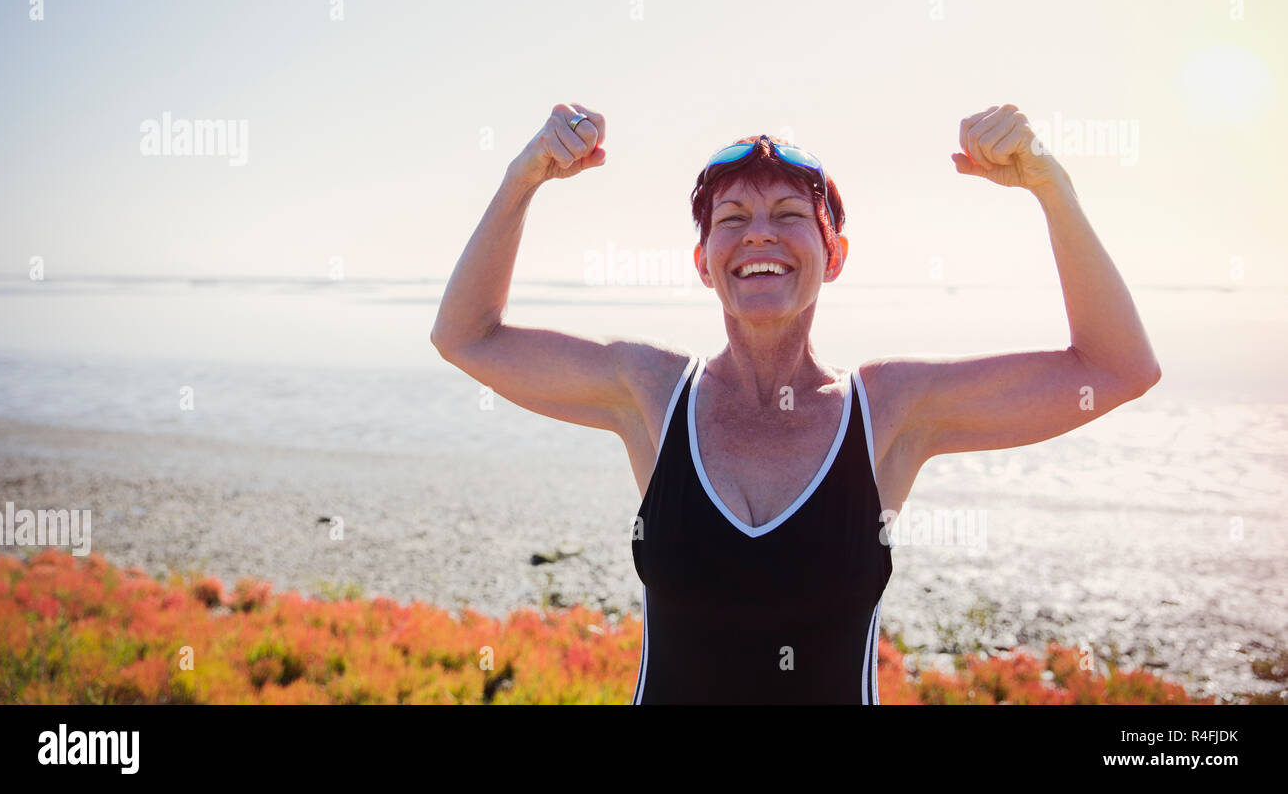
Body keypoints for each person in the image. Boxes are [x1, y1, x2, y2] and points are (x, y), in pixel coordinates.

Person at [429, 102, 1162, 704]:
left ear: (833, 254)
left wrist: (1050, 186)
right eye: (731, 219)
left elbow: (1115, 368)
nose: (759, 234)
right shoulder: (649, 392)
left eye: (787, 214)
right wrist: (523, 176)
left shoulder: (891, 411)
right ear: (704, 264)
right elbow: (467, 337)